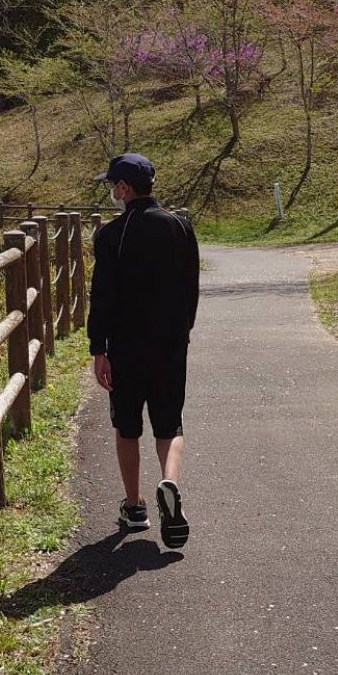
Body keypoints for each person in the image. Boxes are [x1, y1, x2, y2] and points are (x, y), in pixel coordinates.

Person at [87, 153, 200, 549]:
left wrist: (98, 348)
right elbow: (190, 286)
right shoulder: (179, 226)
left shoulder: (110, 236)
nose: (111, 192)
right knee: (170, 424)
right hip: (169, 344)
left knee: (127, 426)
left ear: (124, 188)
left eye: (112, 185)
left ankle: (135, 507)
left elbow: (102, 296)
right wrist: (184, 328)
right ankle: (168, 481)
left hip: (125, 347)